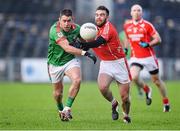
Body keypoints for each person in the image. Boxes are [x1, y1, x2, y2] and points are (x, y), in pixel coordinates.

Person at [80, 6, 132, 123]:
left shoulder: (109, 28)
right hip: (106, 63)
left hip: (119, 63)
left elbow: (100, 41)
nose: (99, 17)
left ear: (107, 17)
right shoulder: (91, 28)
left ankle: (126, 115)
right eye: (97, 14)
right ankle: (114, 103)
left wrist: (85, 45)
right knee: (103, 88)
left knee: (125, 98)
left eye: (102, 14)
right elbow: (82, 36)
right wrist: (78, 42)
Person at [47, 9, 97, 121]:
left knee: (77, 79)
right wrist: (85, 53)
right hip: (55, 63)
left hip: (70, 61)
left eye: (68, 21)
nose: (66, 23)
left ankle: (67, 108)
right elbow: (67, 48)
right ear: (59, 20)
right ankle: (61, 110)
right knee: (58, 94)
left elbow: (85, 41)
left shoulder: (77, 29)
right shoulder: (55, 30)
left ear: (72, 20)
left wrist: (86, 44)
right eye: (64, 21)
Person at [123, 4, 170, 112]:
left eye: (139, 10)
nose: (136, 12)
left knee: (157, 81)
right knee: (134, 77)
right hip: (135, 57)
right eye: (134, 10)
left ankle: (166, 102)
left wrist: (148, 44)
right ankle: (147, 89)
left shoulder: (147, 25)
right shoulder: (127, 26)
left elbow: (158, 39)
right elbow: (126, 38)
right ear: (131, 13)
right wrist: (125, 49)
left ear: (142, 13)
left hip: (149, 57)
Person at [119, 19, 144, 97]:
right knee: (126, 76)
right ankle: (128, 93)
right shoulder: (121, 34)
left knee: (134, 77)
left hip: (135, 57)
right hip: (126, 57)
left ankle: (139, 90)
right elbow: (121, 45)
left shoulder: (136, 32)